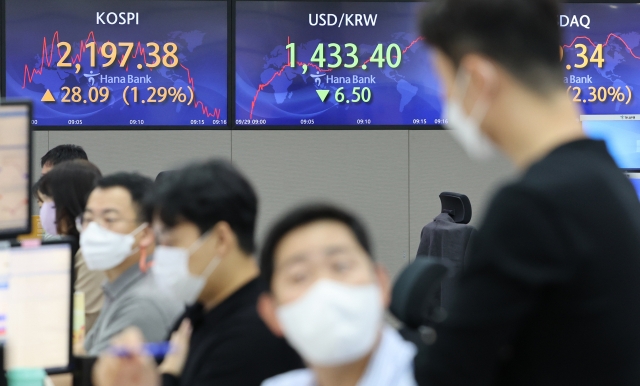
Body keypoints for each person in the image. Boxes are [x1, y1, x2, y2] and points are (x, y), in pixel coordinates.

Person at [414, 0, 640, 384]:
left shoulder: (533, 205)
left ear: (478, 79)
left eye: (446, 85)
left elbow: (448, 374)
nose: (448, 103)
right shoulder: (608, 184)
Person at [93, 159, 303, 386]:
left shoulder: (254, 334)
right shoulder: (201, 311)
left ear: (221, 239)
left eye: (171, 243)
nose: (162, 256)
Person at [257, 204, 417, 386]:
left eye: (341, 266)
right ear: (271, 313)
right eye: (299, 276)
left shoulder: (442, 376)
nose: (324, 288)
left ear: (381, 284)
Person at [79, 172, 183, 356]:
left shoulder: (143, 302)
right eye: (88, 219)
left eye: (109, 219)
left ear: (146, 234)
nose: (93, 230)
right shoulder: (124, 285)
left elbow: (93, 376)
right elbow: (84, 355)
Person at [38, 160, 106, 332]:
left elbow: (82, 325)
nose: (43, 210)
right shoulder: (75, 246)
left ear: (69, 203)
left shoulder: (91, 255)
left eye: (48, 202)